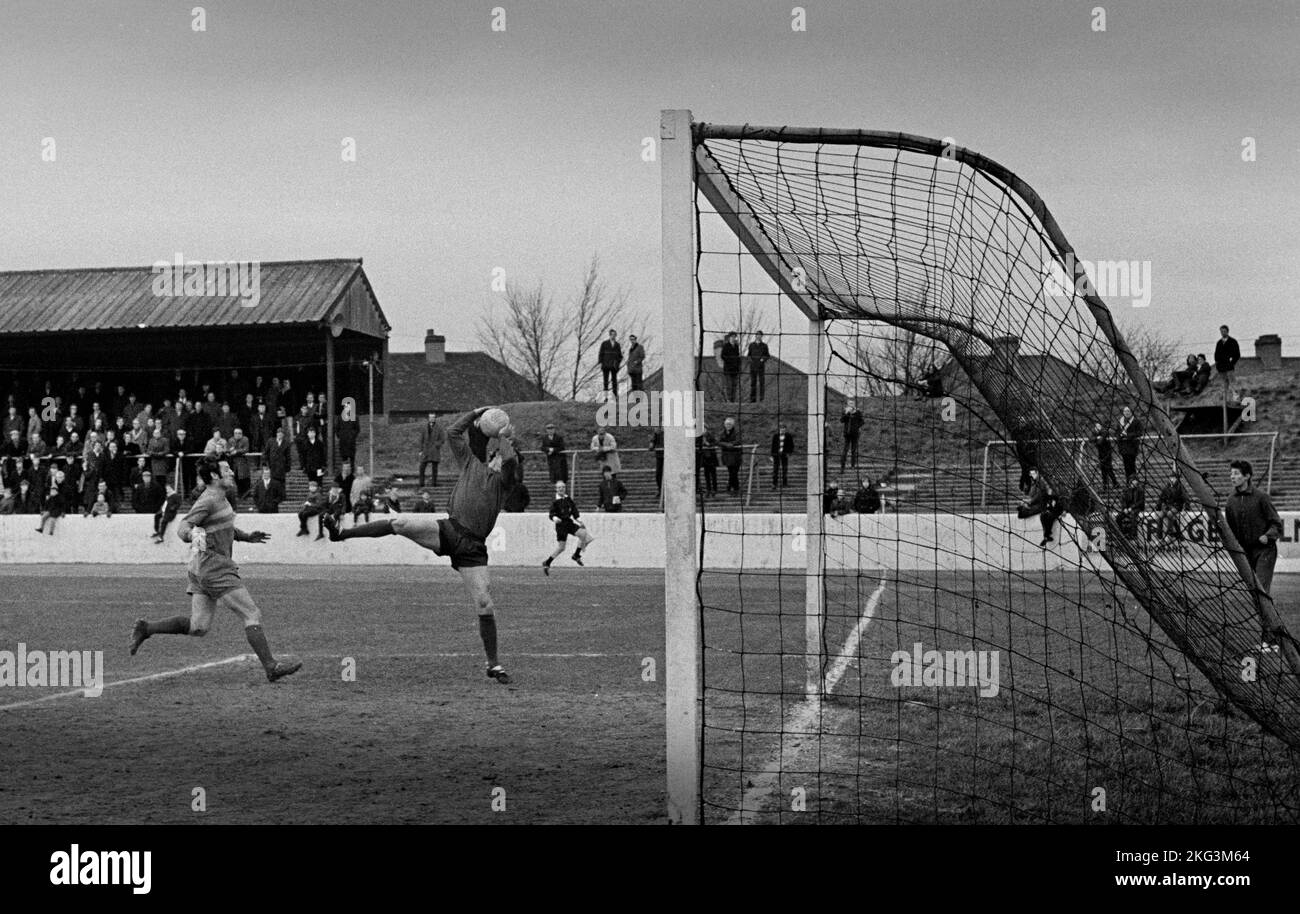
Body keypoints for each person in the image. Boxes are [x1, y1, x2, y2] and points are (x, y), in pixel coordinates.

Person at [324, 406, 520, 684]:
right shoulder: (471, 463)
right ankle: (341, 533)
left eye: (501, 457)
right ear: (490, 457)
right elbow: (453, 431)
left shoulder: (505, 484)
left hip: (472, 548)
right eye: (496, 456)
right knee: (400, 524)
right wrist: (477, 412)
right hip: (449, 530)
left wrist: (503, 437)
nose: (499, 460)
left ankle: (493, 664)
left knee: (485, 604)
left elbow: (511, 464)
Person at [130, 456, 301, 683]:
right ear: (213, 476)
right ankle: (271, 666)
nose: (231, 472)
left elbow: (223, 525)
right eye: (227, 469)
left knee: (198, 626)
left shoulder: (221, 498)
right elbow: (183, 527)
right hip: (214, 567)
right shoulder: (208, 500)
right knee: (251, 613)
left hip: (201, 568)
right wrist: (192, 534)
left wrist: (246, 537)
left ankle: (147, 628)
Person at [1225, 460, 1283, 653]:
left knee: (1261, 592)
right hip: (1246, 554)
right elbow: (1231, 533)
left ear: (1247, 476)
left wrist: (1268, 536)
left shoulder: (1261, 498)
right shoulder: (1230, 501)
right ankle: (1273, 636)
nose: (1232, 476)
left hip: (1265, 551)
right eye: (1231, 473)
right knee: (1256, 596)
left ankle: (1271, 641)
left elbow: (1277, 524)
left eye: (1236, 473)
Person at [543, 481, 593, 574]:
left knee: (583, 533)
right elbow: (551, 513)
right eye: (559, 487)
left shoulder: (568, 499)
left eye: (563, 487)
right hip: (561, 525)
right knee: (561, 547)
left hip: (568, 523)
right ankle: (547, 562)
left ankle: (576, 554)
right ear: (556, 489)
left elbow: (574, 511)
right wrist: (555, 518)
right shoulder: (555, 501)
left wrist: (579, 520)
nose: (561, 489)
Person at [1018, 467, 1057, 548]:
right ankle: (1025, 508)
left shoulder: (1041, 482)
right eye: (1030, 474)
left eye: (1033, 473)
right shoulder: (1035, 482)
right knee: (1021, 511)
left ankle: (1026, 508)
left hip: (1041, 505)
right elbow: (1031, 494)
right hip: (1037, 503)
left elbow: (1039, 495)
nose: (1031, 475)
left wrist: (1029, 502)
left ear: (1037, 472)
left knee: (1023, 512)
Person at [35, 469, 74, 536]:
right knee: (44, 516)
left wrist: (64, 510)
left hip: (60, 508)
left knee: (53, 519)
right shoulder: (52, 486)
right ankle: (41, 528)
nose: (59, 479)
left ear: (63, 478)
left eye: (61, 477)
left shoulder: (67, 488)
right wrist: (44, 510)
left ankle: (51, 531)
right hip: (52, 507)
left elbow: (68, 500)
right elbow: (48, 501)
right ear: (56, 477)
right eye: (58, 477)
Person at [418, 413, 446, 488]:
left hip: (434, 451)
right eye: (430, 417)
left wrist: (437, 445)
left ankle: (434, 483)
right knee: (422, 467)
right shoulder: (424, 427)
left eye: (433, 417)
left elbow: (442, 439)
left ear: (435, 418)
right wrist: (420, 450)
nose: (432, 419)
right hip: (426, 451)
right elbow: (421, 440)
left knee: (434, 468)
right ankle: (421, 483)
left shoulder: (439, 428)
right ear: (428, 418)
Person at [1214, 325, 1241, 402]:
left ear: (1227, 331)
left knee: (1233, 383)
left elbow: (1237, 354)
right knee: (1224, 384)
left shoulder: (1233, 341)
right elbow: (1216, 355)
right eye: (1221, 331)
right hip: (1221, 367)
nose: (1223, 333)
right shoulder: (1219, 343)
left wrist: (1231, 363)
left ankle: (1236, 399)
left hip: (1229, 366)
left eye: (1224, 331)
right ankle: (1225, 400)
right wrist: (1217, 365)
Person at [1116, 407, 1142, 480]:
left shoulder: (1136, 421)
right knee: (1126, 467)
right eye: (1125, 411)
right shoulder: (1120, 422)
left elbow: (1140, 432)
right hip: (1123, 448)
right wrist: (1120, 436)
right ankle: (1128, 482)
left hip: (1132, 447)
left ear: (1131, 412)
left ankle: (1134, 482)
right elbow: (1117, 432)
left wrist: (1128, 435)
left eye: (1128, 411)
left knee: (1132, 466)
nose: (1126, 412)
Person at [1115, 475, 1145, 540]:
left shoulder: (1140, 490)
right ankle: (1122, 533)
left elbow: (1140, 502)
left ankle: (1133, 535)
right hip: (1127, 508)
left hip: (1137, 508)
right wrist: (1125, 508)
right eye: (1132, 482)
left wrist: (1131, 508)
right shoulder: (1126, 490)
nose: (1134, 483)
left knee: (1133, 515)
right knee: (1118, 517)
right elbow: (1123, 500)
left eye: (1135, 482)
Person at [1091, 422, 1118, 490]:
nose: (1098, 427)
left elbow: (1100, 441)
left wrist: (1096, 440)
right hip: (1101, 454)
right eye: (1097, 426)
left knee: (1109, 469)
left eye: (1099, 426)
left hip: (1107, 453)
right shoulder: (1095, 432)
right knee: (1103, 470)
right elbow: (1090, 439)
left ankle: (1115, 483)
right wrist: (1097, 437)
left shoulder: (1104, 431)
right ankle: (1105, 484)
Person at [718, 417, 742, 494]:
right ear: (724, 425)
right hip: (727, 456)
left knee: (734, 472)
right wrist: (727, 445)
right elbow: (719, 442)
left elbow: (738, 441)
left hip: (736, 456)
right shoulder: (722, 433)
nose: (728, 425)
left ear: (732, 425)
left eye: (729, 424)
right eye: (726, 424)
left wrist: (731, 444)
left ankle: (730, 487)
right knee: (731, 472)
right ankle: (735, 489)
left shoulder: (737, 432)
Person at [598, 329, 623, 398]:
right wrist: (601, 362)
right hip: (605, 365)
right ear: (609, 335)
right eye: (612, 334)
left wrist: (617, 363)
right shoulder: (604, 343)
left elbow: (620, 356)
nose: (613, 336)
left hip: (614, 366)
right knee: (605, 382)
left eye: (614, 335)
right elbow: (601, 353)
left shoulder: (617, 345)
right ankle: (605, 397)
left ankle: (615, 396)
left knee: (614, 381)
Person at [747, 330, 770, 403]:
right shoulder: (751, 345)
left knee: (761, 383)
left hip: (761, 367)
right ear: (755, 336)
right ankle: (752, 400)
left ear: (761, 336)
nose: (758, 336)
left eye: (760, 335)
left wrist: (763, 359)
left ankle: (761, 399)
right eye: (757, 335)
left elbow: (767, 355)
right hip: (753, 367)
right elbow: (748, 355)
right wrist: (751, 361)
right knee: (753, 383)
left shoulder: (764, 346)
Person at [841, 403, 864, 472]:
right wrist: (847, 414)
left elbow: (862, 421)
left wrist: (856, 427)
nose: (851, 406)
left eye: (852, 404)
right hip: (847, 434)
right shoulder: (845, 411)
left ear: (854, 405)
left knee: (854, 450)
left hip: (855, 434)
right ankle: (842, 466)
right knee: (845, 450)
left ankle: (853, 466)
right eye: (849, 404)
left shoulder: (858, 412)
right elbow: (842, 420)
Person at [770, 422, 795, 488]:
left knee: (784, 469)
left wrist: (789, 453)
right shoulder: (775, 436)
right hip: (776, 455)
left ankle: (785, 483)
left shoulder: (788, 436)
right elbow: (773, 446)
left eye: (784, 428)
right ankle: (774, 484)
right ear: (779, 429)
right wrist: (772, 455)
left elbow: (791, 446)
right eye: (781, 428)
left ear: (785, 429)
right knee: (775, 469)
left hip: (784, 455)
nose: (782, 429)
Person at [696, 425, 719, 496]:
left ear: (706, 429)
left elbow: (716, 443)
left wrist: (708, 444)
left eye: (704, 429)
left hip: (711, 458)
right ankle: (708, 489)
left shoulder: (711, 436)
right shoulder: (699, 437)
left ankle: (714, 489)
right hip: (704, 458)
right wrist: (700, 445)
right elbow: (695, 444)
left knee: (713, 474)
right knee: (706, 475)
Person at [720, 332, 742, 402]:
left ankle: (733, 400)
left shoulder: (736, 346)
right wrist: (730, 361)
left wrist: (739, 366)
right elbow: (722, 356)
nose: (733, 338)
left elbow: (738, 357)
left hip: (735, 369)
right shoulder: (726, 346)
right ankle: (729, 400)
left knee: (734, 385)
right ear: (729, 338)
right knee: (729, 385)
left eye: (734, 337)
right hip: (728, 369)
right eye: (732, 337)